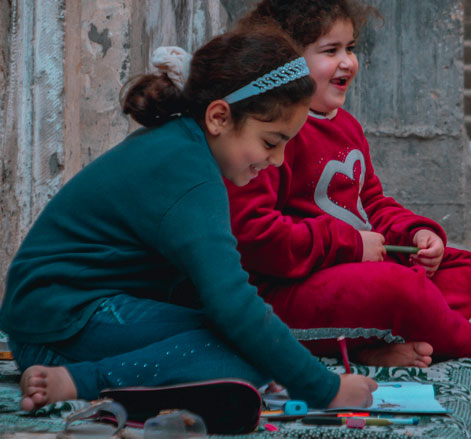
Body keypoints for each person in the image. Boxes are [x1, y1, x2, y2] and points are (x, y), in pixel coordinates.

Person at [0, 27, 376, 412]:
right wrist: (325, 389)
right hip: (62, 323)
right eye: (270, 141)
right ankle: (80, 379)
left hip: (58, 320)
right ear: (219, 117)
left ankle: (88, 372)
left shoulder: (186, 145)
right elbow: (232, 303)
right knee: (245, 353)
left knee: (255, 342)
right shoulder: (190, 173)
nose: (277, 160)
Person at [225, 0, 471, 368]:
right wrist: (351, 245)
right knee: (400, 289)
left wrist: (415, 234)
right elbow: (255, 236)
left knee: (465, 270)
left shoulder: (347, 127)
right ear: (285, 61)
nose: (348, 62)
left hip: (357, 278)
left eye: (351, 48)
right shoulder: (271, 137)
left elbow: (371, 203)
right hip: (288, 296)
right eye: (331, 51)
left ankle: (373, 349)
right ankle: (466, 341)